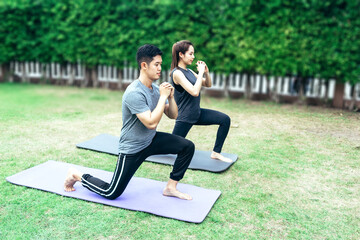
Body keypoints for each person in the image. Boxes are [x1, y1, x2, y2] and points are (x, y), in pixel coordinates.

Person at [64, 44, 194, 200]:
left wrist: (170, 97)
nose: (160, 68)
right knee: (111, 192)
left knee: (187, 147)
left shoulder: (154, 89)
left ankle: (170, 188)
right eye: (156, 64)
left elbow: (173, 115)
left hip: (150, 140)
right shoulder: (134, 92)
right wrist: (162, 97)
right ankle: (76, 175)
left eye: (161, 64)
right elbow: (151, 123)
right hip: (132, 148)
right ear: (144, 65)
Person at [170, 40, 232, 163]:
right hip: (185, 117)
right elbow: (194, 91)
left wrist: (206, 73)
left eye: (193, 54)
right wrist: (200, 72)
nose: (193, 57)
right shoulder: (177, 73)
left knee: (225, 120)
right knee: (170, 147)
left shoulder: (189, 71)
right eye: (191, 54)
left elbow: (207, 84)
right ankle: (149, 146)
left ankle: (216, 153)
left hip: (197, 114)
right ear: (181, 55)